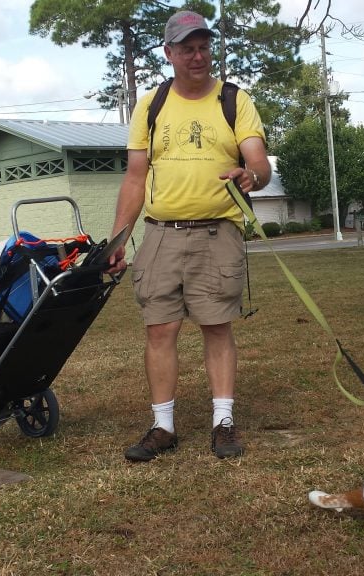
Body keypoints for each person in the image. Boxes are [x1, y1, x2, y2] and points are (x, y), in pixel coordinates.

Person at [107, 9, 271, 462]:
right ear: (170, 53)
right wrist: (118, 239)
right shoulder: (152, 105)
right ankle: (163, 427)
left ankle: (223, 422)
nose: (197, 56)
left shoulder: (235, 100)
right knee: (160, 328)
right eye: (187, 48)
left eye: (203, 46)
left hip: (219, 231)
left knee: (217, 325)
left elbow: (259, 162)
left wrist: (251, 176)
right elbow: (135, 178)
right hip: (160, 234)